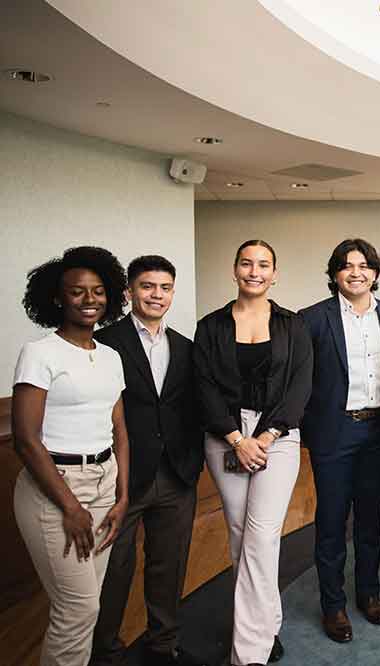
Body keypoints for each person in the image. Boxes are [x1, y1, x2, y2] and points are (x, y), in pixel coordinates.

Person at [194, 240, 313, 666]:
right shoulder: (210, 327)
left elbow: (301, 386)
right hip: (224, 434)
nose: (254, 271)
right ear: (234, 269)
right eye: (246, 263)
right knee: (241, 533)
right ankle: (267, 623)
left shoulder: (293, 325)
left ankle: (248, 655)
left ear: (274, 273)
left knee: (261, 536)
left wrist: (263, 437)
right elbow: (202, 387)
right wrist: (235, 438)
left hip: (277, 436)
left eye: (263, 264)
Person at [12, 246, 131, 666]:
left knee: (85, 608)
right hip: (56, 490)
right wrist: (71, 506)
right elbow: (25, 440)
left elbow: (118, 430)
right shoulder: (40, 353)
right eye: (77, 292)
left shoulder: (111, 356)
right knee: (78, 610)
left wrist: (122, 496)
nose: (90, 299)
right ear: (57, 297)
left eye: (98, 291)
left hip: (104, 482)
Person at [90, 256, 206, 666]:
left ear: (172, 293)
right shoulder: (103, 343)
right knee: (115, 568)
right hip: (121, 477)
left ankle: (162, 645)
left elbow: (193, 407)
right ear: (129, 292)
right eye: (147, 287)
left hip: (176, 474)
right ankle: (104, 651)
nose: (156, 295)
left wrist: (193, 461)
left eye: (164, 288)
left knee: (169, 565)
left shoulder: (187, 347)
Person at [299, 239, 380, 643]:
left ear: (375, 273)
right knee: (330, 522)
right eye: (346, 266)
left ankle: (369, 593)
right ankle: (333, 605)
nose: (355, 272)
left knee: (370, 521)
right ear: (335, 274)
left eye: (364, 265)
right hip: (334, 432)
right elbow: (302, 380)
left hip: (379, 431)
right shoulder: (312, 318)